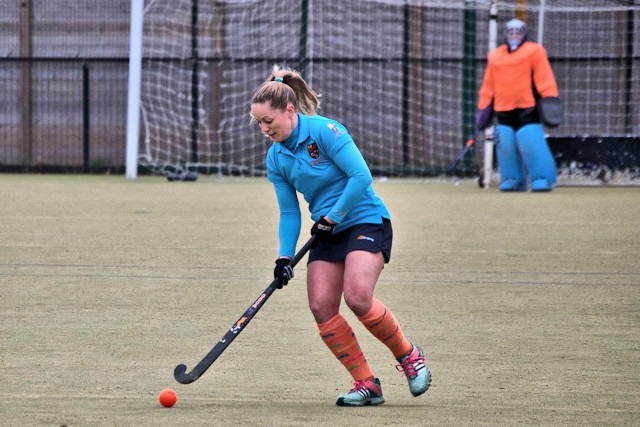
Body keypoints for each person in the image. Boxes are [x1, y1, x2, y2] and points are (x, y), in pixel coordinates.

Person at [250, 65, 431, 406]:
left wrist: (333, 216)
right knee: (321, 307)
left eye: (268, 121)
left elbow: (360, 177)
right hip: (327, 231)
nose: (264, 129)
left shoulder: (325, 131)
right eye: (258, 123)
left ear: (289, 111)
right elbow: (290, 212)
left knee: (358, 297)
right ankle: (366, 384)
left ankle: (409, 356)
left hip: (364, 220)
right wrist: (284, 258)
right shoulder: (276, 158)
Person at [476, 18, 561, 192]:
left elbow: (544, 77)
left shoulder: (534, 51)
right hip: (502, 108)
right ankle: (512, 179)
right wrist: (484, 109)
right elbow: (488, 86)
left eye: (518, 32)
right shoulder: (495, 57)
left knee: (530, 138)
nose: (514, 35)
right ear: (505, 35)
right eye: (511, 32)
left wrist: (550, 98)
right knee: (505, 140)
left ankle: (543, 178)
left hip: (527, 107)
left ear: (524, 34)